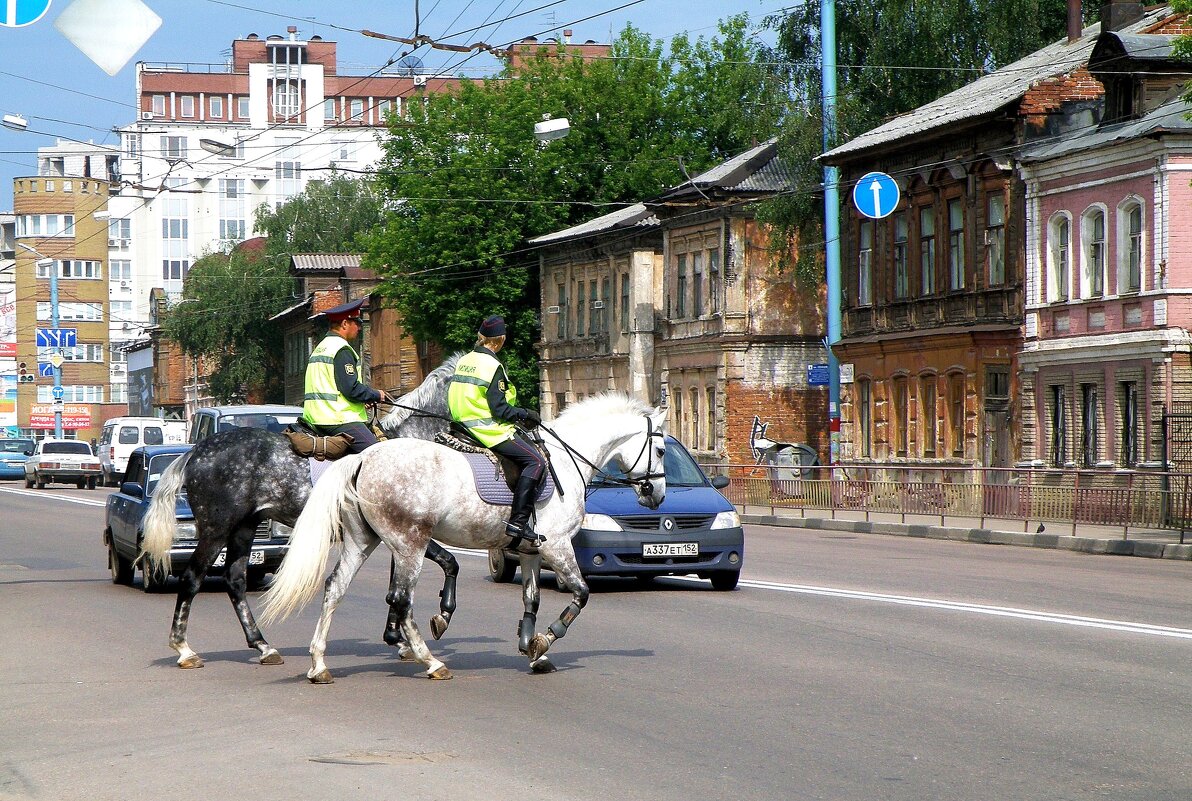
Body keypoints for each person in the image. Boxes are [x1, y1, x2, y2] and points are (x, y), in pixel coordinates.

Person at [448, 315, 546, 547]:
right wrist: (524, 413)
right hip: (486, 429)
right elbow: (500, 408)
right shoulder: (493, 366)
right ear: (500, 340)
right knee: (536, 461)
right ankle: (518, 523)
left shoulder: (465, 360)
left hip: (460, 425)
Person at [300, 298, 393, 454]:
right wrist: (376, 394)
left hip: (315, 416)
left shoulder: (321, 347)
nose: (359, 328)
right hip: (337, 419)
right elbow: (350, 389)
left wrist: (363, 401)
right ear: (344, 324)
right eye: (356, 323)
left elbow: (332, 387)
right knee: (378, 454)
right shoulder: (341, 349)